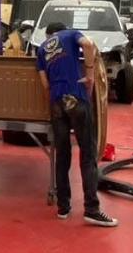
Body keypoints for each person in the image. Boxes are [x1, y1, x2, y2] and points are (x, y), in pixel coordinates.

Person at [33, 21, 118, 227]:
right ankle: (92, 210)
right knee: (87, 154)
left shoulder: (42, 49)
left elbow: (45, 84)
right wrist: (89, 75)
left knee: (62, 155)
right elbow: (88, 45)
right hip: (76, 97)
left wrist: (55, 105)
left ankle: (63, 207)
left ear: (49, 34)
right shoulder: (70, 34)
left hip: (57, 103)